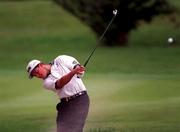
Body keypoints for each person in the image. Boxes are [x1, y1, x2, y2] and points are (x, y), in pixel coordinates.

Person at [26, 55, 90, 132]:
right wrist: (74, 72)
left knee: (76, 129)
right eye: (35, 75)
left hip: (80, 100)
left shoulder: (60, 60)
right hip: (65, 105)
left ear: (41, 65)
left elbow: (76, 67)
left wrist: (78, 69)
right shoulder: (46, 83)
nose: (37, 75)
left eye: (36, 72)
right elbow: (60, 83)